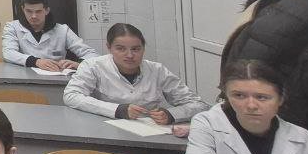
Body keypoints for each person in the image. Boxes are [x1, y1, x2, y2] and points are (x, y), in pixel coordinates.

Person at [63, 23, 207, 127]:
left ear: (143, 48)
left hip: (150, 131)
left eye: (136, 49)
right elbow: (71, 96)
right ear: (109, 48)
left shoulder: (157, 70)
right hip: (105, 128)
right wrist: (117, 110)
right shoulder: (93, 66)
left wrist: (171, 114)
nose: (130, 55)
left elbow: (199, 105)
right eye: (121, 49)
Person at [1, 0, 97, 71]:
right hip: (24, 80)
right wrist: (36, 62)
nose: (33, 16)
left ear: (46, 10)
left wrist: (79, 64)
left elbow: (92, 54)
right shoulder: (12, 27)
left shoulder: (63, 30)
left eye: (38, 11)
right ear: (23, 9)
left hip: (55, 79)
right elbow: (8, 53)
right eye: (29, 11)